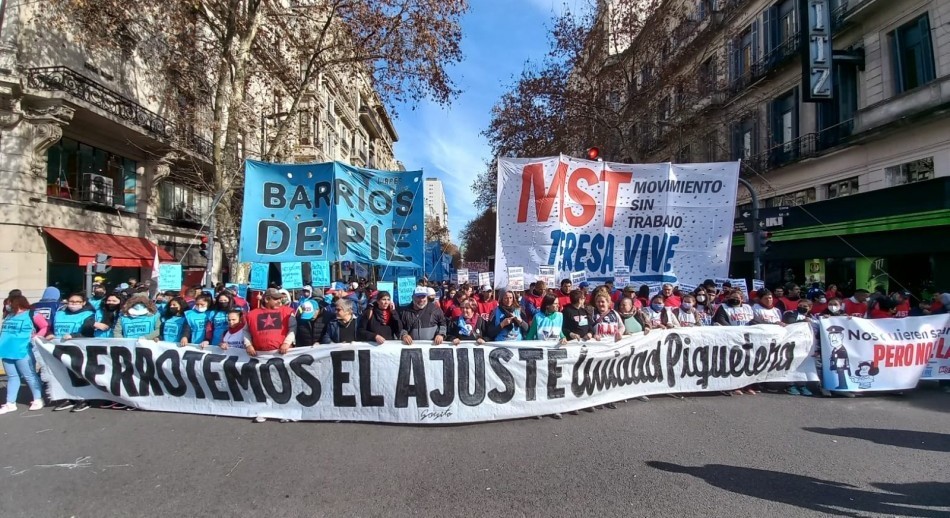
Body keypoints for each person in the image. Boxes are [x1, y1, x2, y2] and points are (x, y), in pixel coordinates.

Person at [0, 295, 48, 414]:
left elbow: (45, 326)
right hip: (6, 351)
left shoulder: (32, 314)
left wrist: (37, 336)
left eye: (9, 303)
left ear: (17, 303)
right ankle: (10, 403)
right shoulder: (9, 316)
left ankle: (38, 399)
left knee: (29, 376)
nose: (7, 306)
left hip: (23, 350)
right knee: (12, 377)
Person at [244, 288, 296, 356]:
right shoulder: (251, 315)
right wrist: (248, 345)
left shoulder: (288, 312)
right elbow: (245, 331)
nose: (279, 301)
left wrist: (287, 343)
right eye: (276, 299)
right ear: (267, 299)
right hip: (259, 356)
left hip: (283, 355)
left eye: (280, 299)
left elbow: (292, 328)